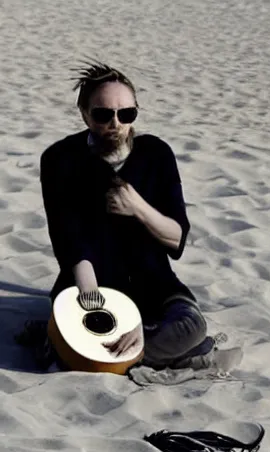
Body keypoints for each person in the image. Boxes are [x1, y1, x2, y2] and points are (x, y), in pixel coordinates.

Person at [38, 61, 227, 374]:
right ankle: (188, 358)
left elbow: (177, 239)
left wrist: (138, 206)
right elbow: (67, 235)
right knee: (83, 346)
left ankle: (138, 350)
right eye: (103, 114)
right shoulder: (60, 158)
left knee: (192, 326)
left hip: (154, 284)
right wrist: (92, 297)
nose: (115, 123)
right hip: (91, 283)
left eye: (126, 114)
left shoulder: (156, 154)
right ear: (83, 113)